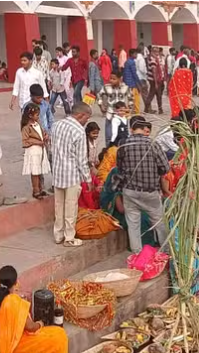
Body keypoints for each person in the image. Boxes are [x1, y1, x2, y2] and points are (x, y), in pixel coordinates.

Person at [0, 265, 68, 353]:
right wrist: (40, 324)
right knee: (59, 336)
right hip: (13, 348)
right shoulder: (13, 301)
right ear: (15, 282)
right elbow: (30, 327)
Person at [115, 117, 170, 253]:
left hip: (130, 192)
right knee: (159, 223)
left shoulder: (123, 144)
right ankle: (166, 252)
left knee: (133, 225)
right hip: (150, 192)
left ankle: (137, 255)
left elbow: (120, 169)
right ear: (144, 128)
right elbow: (165, 168)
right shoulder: (153, 144)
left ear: (131, 129)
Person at [52, 103, 93, 247]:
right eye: (86, 119)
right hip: (71, 175)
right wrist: (87, 179)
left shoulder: (56, 125)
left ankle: (58, 234)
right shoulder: (79, 131)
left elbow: (52, 149)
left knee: (59, 206)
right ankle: (69, 237)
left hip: (57, 173)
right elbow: (82, 159)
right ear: (81, 115)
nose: (86, 122)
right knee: (71, 207)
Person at [21, 103, 51, 200]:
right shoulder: (26, 127)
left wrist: (45, 136)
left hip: (40, 150)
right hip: (33, 151)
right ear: (30, 116)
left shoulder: (38, 124)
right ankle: (36, 190)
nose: (38, 116)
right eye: (37, 115)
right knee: (35, 172)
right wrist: (37, 142)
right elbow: (25, 142)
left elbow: (42, 133)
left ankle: (40, 188)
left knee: (39, 171)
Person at [98, 72, 133, 146]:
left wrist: (129, 109)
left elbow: (131, 98)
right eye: (110, 78)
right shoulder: (106, 87)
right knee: (108, 137)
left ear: (120, 79)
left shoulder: (125, 88)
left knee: (123, 136)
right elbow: (99, 95)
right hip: (110, 115)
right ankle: (108, 153)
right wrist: (101, 106)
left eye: (114, 79)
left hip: (122, 116)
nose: (111, 80)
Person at [145, 47, 165, 114]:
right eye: (155, 52)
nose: (157, 53)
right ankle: (147, 108)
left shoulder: (157, 59)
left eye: (158, 52)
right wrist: (156, 83)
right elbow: (154, 72)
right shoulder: (152, 60)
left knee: (158, 94)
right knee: (152, 94)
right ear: (152, 52)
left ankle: (160, 109)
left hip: (159, 79)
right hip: (154, 80)